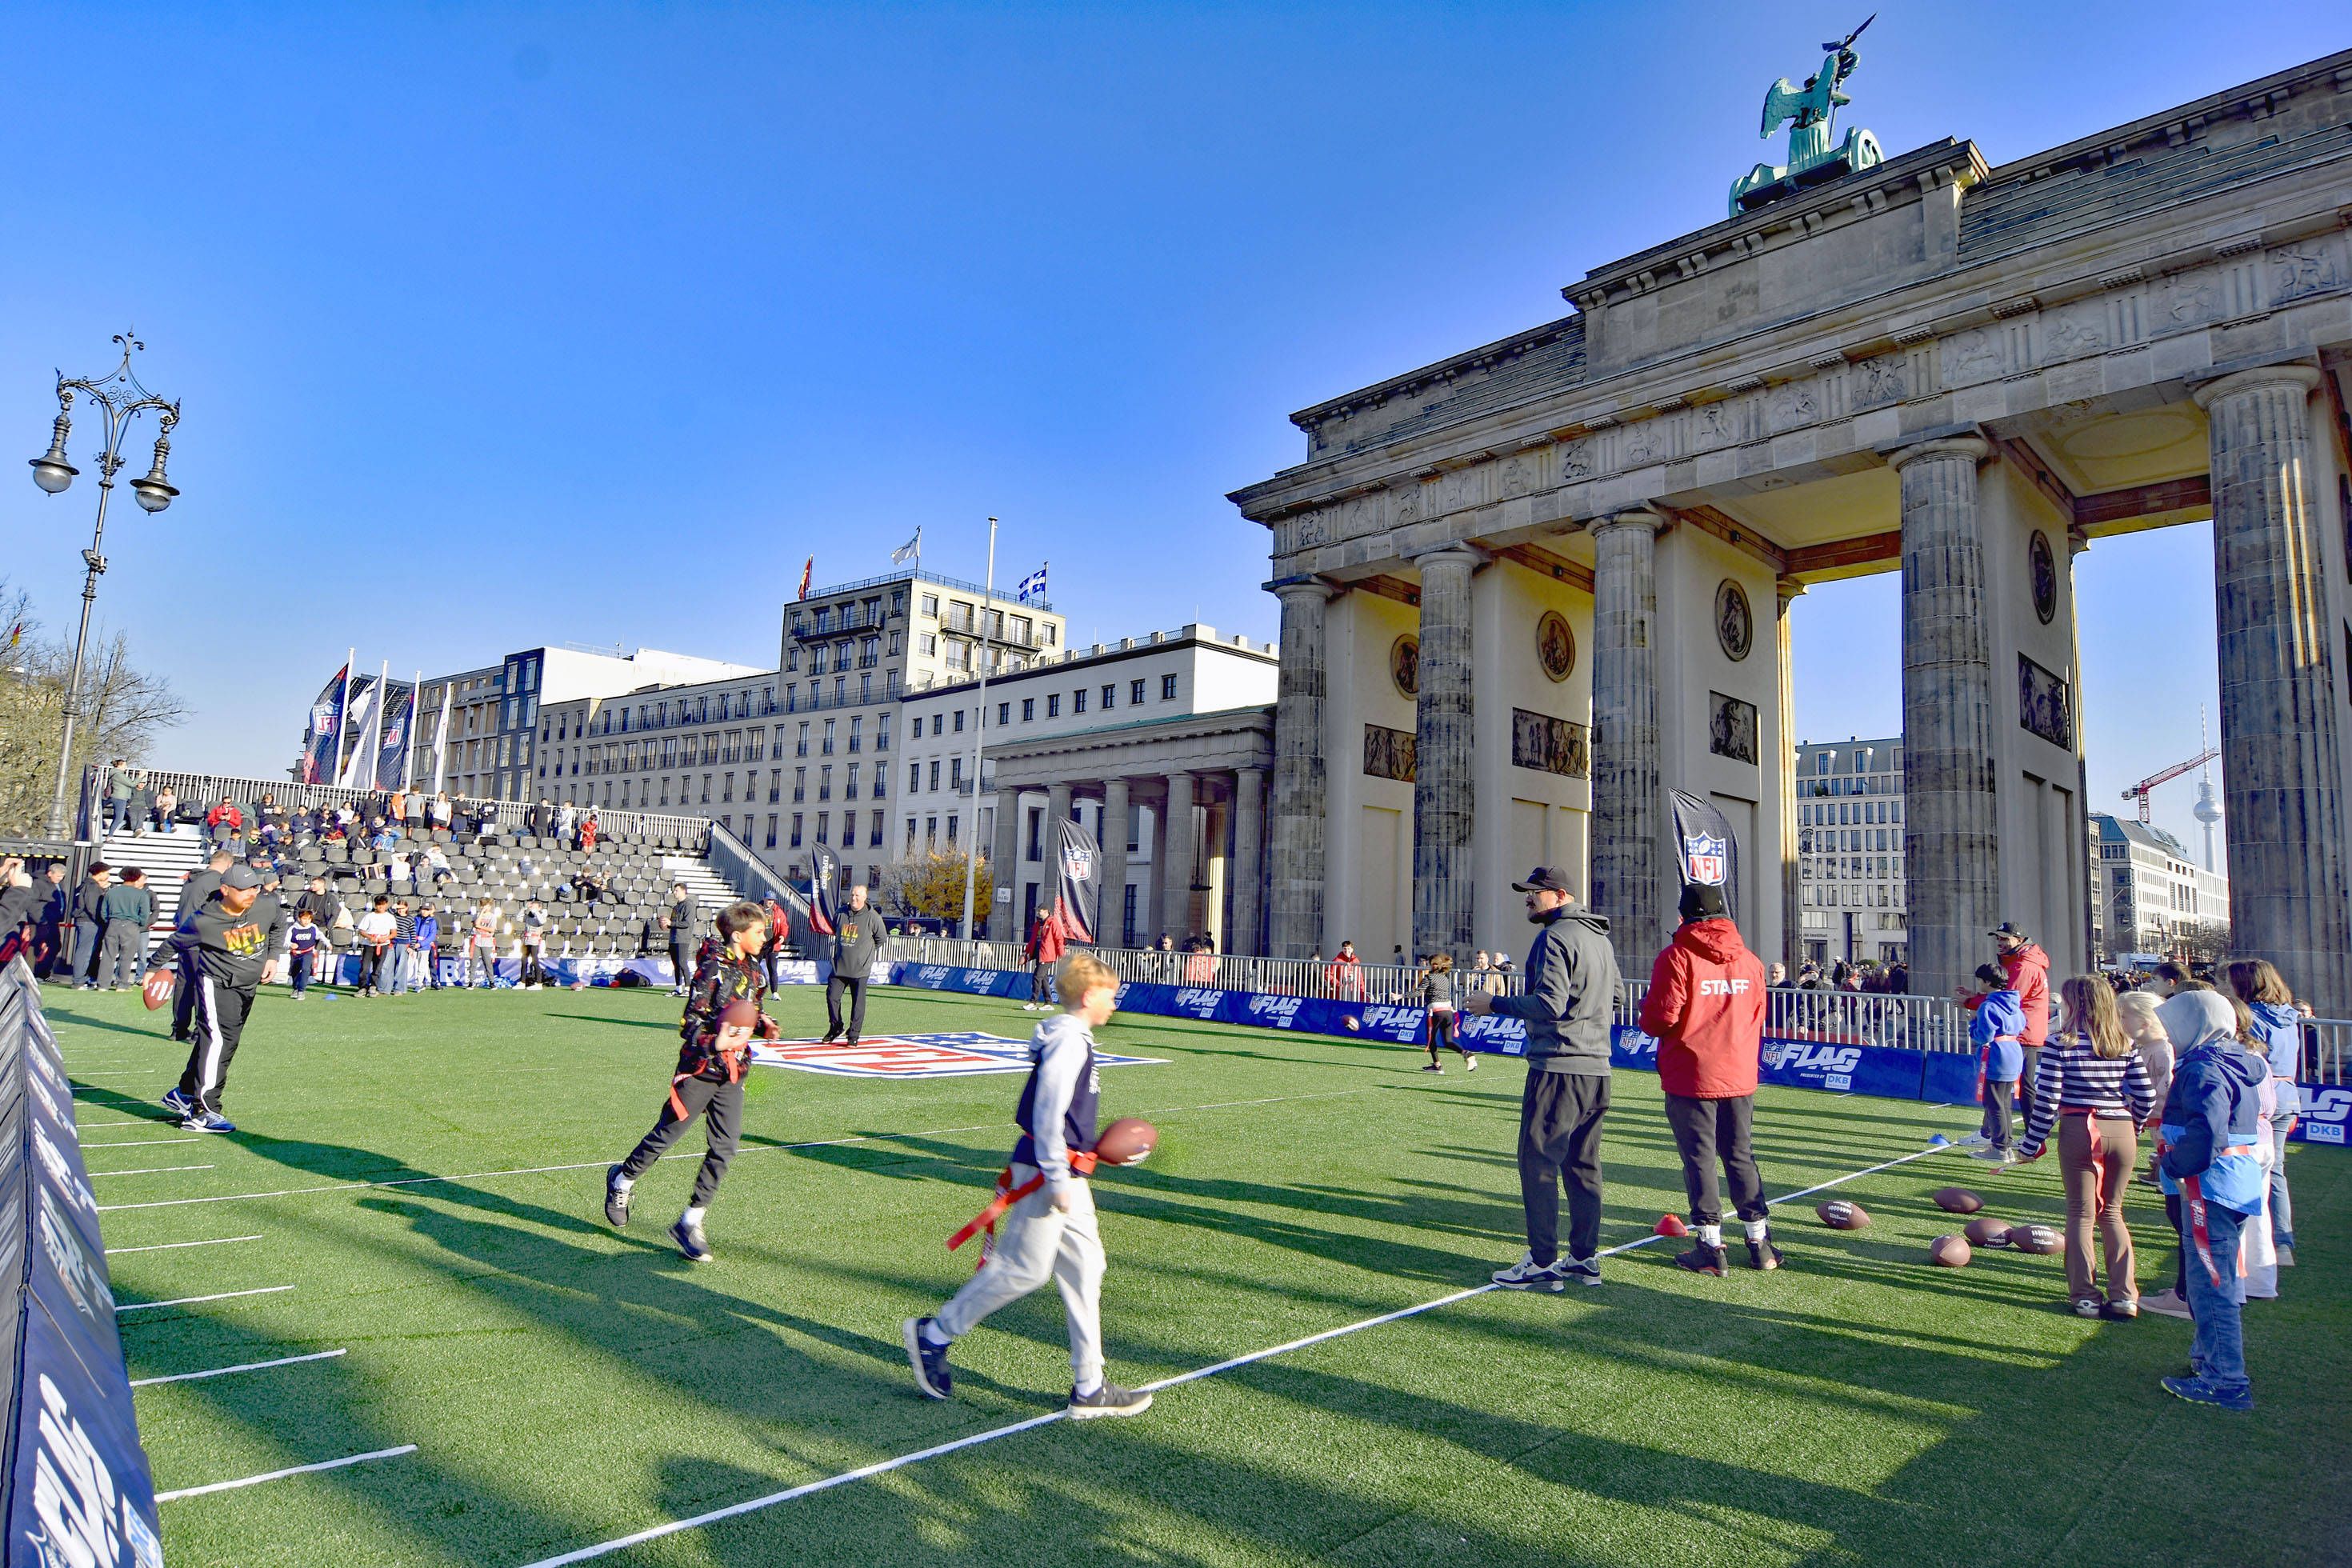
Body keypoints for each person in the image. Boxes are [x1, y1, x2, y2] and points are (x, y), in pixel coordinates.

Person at [902, 950, 1152, 1418]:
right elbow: (1047, 1111)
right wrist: (1058, 1175)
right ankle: (934, 1335)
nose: (1115, 1004)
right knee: (1024, 1270)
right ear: (1091, 995)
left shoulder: (1075, 1038)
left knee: (1086, 1267)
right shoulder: (1069, 1041)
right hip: (1048, 1171)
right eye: (1111, 995)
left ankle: (1090, 1383)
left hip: (1067, 1171)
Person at [1466, 866, 1618, 1290]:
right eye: (1527, 892)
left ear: (1560, 894)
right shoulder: (1599, 938)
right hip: (1597, 1069)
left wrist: (1493, 1003)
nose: (1529, 899)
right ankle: (1584, 1259)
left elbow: (1549, 1003)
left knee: (1539, 1163)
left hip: (1559, 1066)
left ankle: (1542, 1262)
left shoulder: (1555, 937)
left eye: (1536, 892)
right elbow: (1618, 995)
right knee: (1584, 1165)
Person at [605, 901, 777, 1262]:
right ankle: (622, 1180)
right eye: (759, 931)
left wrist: (763, 1024)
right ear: (737, 934)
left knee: (726, 1148)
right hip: (700, 1069)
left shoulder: (756, 969)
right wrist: (715, 1042)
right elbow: (692, 1020)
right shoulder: (711, 966)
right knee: (667, 1135)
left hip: (733, 1071)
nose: (765, 936)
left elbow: (748, 1009)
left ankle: (690, 1221)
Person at [1638, 883, 1779, 1274]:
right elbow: (1758, 1012)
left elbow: (1660, 1018)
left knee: (1699, 1159)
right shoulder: (1749, 959)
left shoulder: (1678, 955)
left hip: (1692, 1073)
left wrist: (1644, 1011)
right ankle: (1760, 1242)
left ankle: (1711, 1246)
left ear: (1683, 916)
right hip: (1738, 1071)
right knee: (1740, 1156)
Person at [2148, 989, 2269, 1410]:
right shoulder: (2236, 1060)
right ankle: (2209, 1360)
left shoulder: (2204, 1067)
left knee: (2210, 1284)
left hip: (2208, 1187)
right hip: (2230, 1184)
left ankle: (2226, 1379)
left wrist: (2174, 1163)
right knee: (2215, 1277)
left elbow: (2209, 1133)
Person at [2018, 977, 2156, 1319]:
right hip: (2120, 1128)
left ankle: (2085, 1296)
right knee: (2112, 1212)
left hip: (2080, 1126)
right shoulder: (2124, 1042)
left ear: (2073, 1004)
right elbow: (2147, 1096)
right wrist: (2133, 1126)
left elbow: (2047, 1099)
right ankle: (2124, 1295)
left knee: (2081, 1215)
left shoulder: (2059, 1043)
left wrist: (2031, 1145)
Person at [160, 866, 284, 1134]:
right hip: (216, 984)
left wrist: (273, 956)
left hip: (247, 986)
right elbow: (173, 943)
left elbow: (278, 923)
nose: (252, 894)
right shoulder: (205, 919)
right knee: (219, 1042)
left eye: (255, 888)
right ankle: (204, 1110)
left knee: (221, 1042)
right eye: (244, 890)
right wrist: (151, 970)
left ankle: (183, 1092)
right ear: (226, 890)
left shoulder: (265, 905)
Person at [2226, 958, 2301, 1267]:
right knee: (2275, 1170)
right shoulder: (2289, 1017)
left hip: (2262, 1096)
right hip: (2287, 1094)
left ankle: (2250, 1240)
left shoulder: (2253, 1018)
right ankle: (2282, 1241)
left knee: (2249, 1167)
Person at [1966, 962, 2026, 1163]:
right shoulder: (2014, 1004)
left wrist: (1973, 1022)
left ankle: (2000, 1148)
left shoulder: (1988, 1006)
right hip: (2013, 1053)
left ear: (1987, 982)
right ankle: (2005, 1144)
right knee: (2005, 1103)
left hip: (1997, 1056)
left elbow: (1983, 1036)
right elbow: (2022, 1025)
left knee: (1993, 1104)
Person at [822, 883, 889, 1046]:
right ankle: (836, 1027)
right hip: (840, 966)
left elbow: (881, 938)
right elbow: (834, 928)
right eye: (852, 895)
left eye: (858, 895)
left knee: (858, 1003)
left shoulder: (873, 917)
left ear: (865, 898)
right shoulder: (841, 913)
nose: (854, 898)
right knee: (832, 997)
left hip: (860, 969)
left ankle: (854, 1034)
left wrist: (865, 954)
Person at [97, 868, 154, 991]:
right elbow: (144, 914)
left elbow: (103, 912)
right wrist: (140, 924)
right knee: (126, 956)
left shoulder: (111, 892)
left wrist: (110, 921)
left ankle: (103, 984)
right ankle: (122, 984)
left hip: (113, 924)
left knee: (108, 955)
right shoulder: (141, 894)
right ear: (136, 877)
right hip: (131, 926)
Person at [1419, 953, 1471, 1073]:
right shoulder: (1444, 978)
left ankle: (1437, 1066)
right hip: (1448, 1011)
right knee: (1448, 1041)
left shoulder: (1430, 978)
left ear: (1434, 965)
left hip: (1435, 1012)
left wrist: (1399, 996)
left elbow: (1417, 992)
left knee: (1431, 1040)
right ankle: (1466, 1053)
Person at [69, 862, 112, 990]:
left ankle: (82, 979)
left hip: (85, 921)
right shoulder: (92, 887)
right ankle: (78, 981)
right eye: (107, 872)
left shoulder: (83, 885)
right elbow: (93, 907)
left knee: (87, 951)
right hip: (90, 922)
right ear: (100, 873)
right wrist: (102, 920)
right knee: (85, 952)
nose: (108, 875)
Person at [1024, 904, 1066, 1010]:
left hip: (1047, 955)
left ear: (1046, 911)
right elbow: (1033, 940)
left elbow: (1059, 939)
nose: (1038, 912)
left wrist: (1061, 955)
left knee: (1037, 977)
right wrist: (1026, 952)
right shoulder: (1038, 924)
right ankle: (1049, 1003)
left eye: (1040, 910)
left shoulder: (1052, 922)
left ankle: (1033, 1002)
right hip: (1039, 954)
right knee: (1044, 979)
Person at [355, 894, 397, 996]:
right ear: (375, 905)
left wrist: (386, 938)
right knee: (365, 967)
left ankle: (373, 986)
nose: (381, 907)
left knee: (378, 967)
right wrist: (370, 937)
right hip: (370, 944)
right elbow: (362, 930)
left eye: (382, 905)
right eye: (379, 905)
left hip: (383, 944)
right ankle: (363, 987)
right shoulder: (369, 916)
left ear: (386, 905)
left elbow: (394, 933)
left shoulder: (390, 917)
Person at [662, 883, 698, 997]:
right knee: (676, 964)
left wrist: (671, 923)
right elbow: (674, 922)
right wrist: (667, 924)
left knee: (682, 963)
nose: (674, 893)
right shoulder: (677, 906)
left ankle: (688, 988)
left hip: (682, 938)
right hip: (673, 938)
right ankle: (678, 988)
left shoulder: (689, 905)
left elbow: (687, 923)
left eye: (676, 890)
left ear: (683, 891)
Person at [286, 906, 324, 999]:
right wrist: (290, 945)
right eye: (304, 919)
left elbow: (321, 935)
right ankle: (295, 988)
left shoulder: (313, 928)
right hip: (295, 954)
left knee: (306, 969)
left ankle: (301, 990)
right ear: (299, 918)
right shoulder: (293, 929)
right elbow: (285, 942)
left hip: (307, 952)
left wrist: (328, 943)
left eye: (309, 919)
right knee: (294, 971)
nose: (306, 921)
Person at [467, 898, 502, 988]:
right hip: (476, 941)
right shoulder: (477, 915)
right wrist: (482, 913)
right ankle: (471, 982)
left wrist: (480, 927)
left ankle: (491, 982)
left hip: (487, 941)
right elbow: (476, 924)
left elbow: (492, 930)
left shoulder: (492, 917)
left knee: (488, 962)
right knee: (473, 962)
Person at [519, 898, 550, 990]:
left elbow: (542, 921)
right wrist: (524, 908)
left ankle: (539, 982)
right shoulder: (529, 917)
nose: (532, 908)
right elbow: (519, 918)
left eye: (534, 906)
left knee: (535, 960)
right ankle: (522, 982)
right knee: (524, 961)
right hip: (526, 940)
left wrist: (536, 912)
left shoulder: (541, 916)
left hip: (534, 940)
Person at [411, 902, 443, 989]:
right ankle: (420, 982)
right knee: (415, 964)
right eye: (423, 909)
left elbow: (437, 932)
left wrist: (425, 942)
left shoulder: (435, 919)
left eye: (428, 909)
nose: (425, 911)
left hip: (429, 944)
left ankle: (432, 981)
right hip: (416, 945)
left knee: (431, 963)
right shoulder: (416, 918)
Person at [105, 762, 136, 834]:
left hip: (120, 797)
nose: (126, 767)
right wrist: (140, 777)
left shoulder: (117, 774)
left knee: (120, 817)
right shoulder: (119, 775)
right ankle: (110, 835)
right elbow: (132, 784)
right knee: (119, 818)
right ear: (119, 765)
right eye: (125, 765)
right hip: (120, 798)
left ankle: (110, 834)